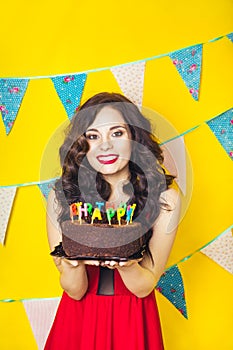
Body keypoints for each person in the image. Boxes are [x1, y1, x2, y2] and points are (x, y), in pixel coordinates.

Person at [44, 92, 180, 350]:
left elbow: (143, 288)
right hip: (78, 317)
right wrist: (72, 262)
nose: (105, 145)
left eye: (116, 133)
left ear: (134, 137)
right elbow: (75, 290)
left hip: (133, 316)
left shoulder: (166, 198)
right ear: (82, 144)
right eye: (93, 136)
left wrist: (126, 262)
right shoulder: (61, 195)